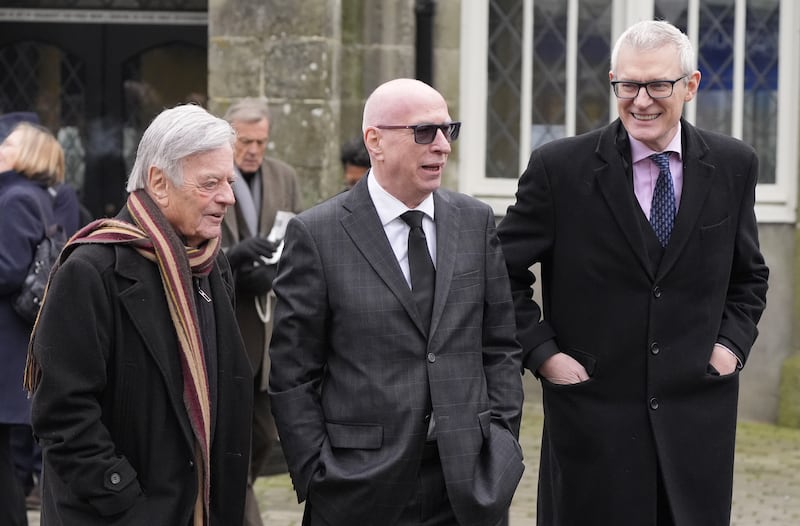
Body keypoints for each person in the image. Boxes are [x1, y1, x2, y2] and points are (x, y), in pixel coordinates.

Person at [497, 20, 769, 526]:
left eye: (658, 85)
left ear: (690, 85)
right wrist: (544, 354)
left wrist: (729, 349)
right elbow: (499, 272)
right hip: (592, 422)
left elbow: (749, 276)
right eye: (628, 85)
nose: (641, 101)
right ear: (613, 82)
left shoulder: (734, 165)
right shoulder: (560, 168)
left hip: (696, 421)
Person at [268, 78, 525, 526]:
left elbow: (500, 344)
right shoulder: (317, 234)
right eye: (425, 132)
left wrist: (501, 443)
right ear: (375, 141)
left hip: (469, 485)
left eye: (450, 130)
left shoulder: (474, 220)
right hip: (359, 490)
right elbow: (292, 373)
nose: (443, 146)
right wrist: (317, 471)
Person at [23, 104, 253, 525]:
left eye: (229, 182)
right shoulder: (92, 270)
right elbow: (62, 414)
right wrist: (129, 503)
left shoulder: (210, 263)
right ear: (159, 183)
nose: (228, 197)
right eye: (211, 183)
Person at [220, 97, 303, 525]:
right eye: (246, 141)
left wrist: (280, 274)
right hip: (225, 323)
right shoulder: (212, 171)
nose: (253, 150)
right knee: (228, 437)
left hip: (270, 331)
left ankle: (234, 496)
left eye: (261, 142)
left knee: (264, 435)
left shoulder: (283, 176)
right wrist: (233, 259)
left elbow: (299, 236)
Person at [0, 119, 63, 526]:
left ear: (26, 155)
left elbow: (8, 269)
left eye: (7, 143)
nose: (0, 147)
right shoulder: (33, 196)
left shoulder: (15, 198)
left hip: (6, 345)